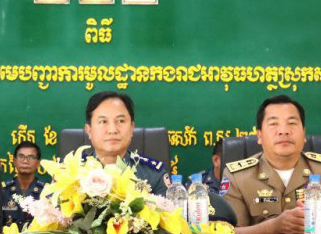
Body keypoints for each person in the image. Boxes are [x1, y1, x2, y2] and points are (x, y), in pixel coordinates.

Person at [79, 91, 236, 223]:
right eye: (103, 121)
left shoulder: (154, 175)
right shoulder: (72, 174)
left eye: (120, 121)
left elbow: (168, 224)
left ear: (132, 127)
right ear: (89, 130)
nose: (113, 129)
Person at [221, 95, 321, 234]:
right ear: (259, 136)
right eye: (273, 124)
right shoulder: (237, 176)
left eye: (292, 123)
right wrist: (273, 227)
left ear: (304, 133)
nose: (284, 131)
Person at [0, 141, 45, 229]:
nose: (25, 161)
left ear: (38, 163)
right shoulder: (3, 190)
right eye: (21, 156)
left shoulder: (45, 191)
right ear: (14, 161)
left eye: (31, 157)